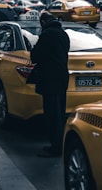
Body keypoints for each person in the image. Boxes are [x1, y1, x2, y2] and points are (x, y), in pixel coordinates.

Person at [30, 12, 70, 157]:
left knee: (52, 115)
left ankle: (56, 147)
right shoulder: (63, 34)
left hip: (50, 79)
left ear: (43, 22)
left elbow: (35, 56)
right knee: (60, 113)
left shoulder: (47, 35)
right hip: (62, 78)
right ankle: (60, 144)